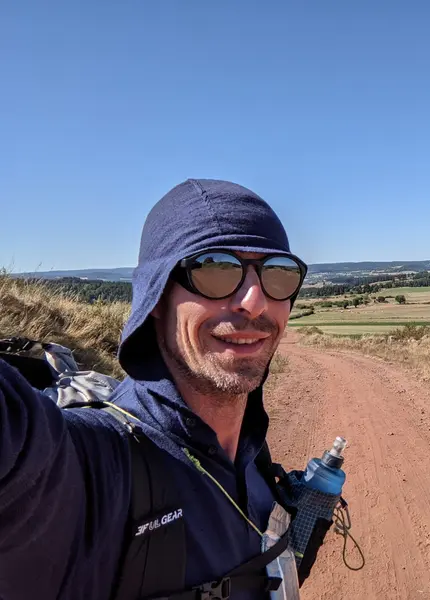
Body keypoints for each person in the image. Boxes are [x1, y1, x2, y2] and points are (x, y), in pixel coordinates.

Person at [0, 179, 309, 599]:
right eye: (215, 269)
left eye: (278, 273)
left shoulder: (254, 456)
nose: (255, 301)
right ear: (157, 296)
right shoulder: (90, 466)